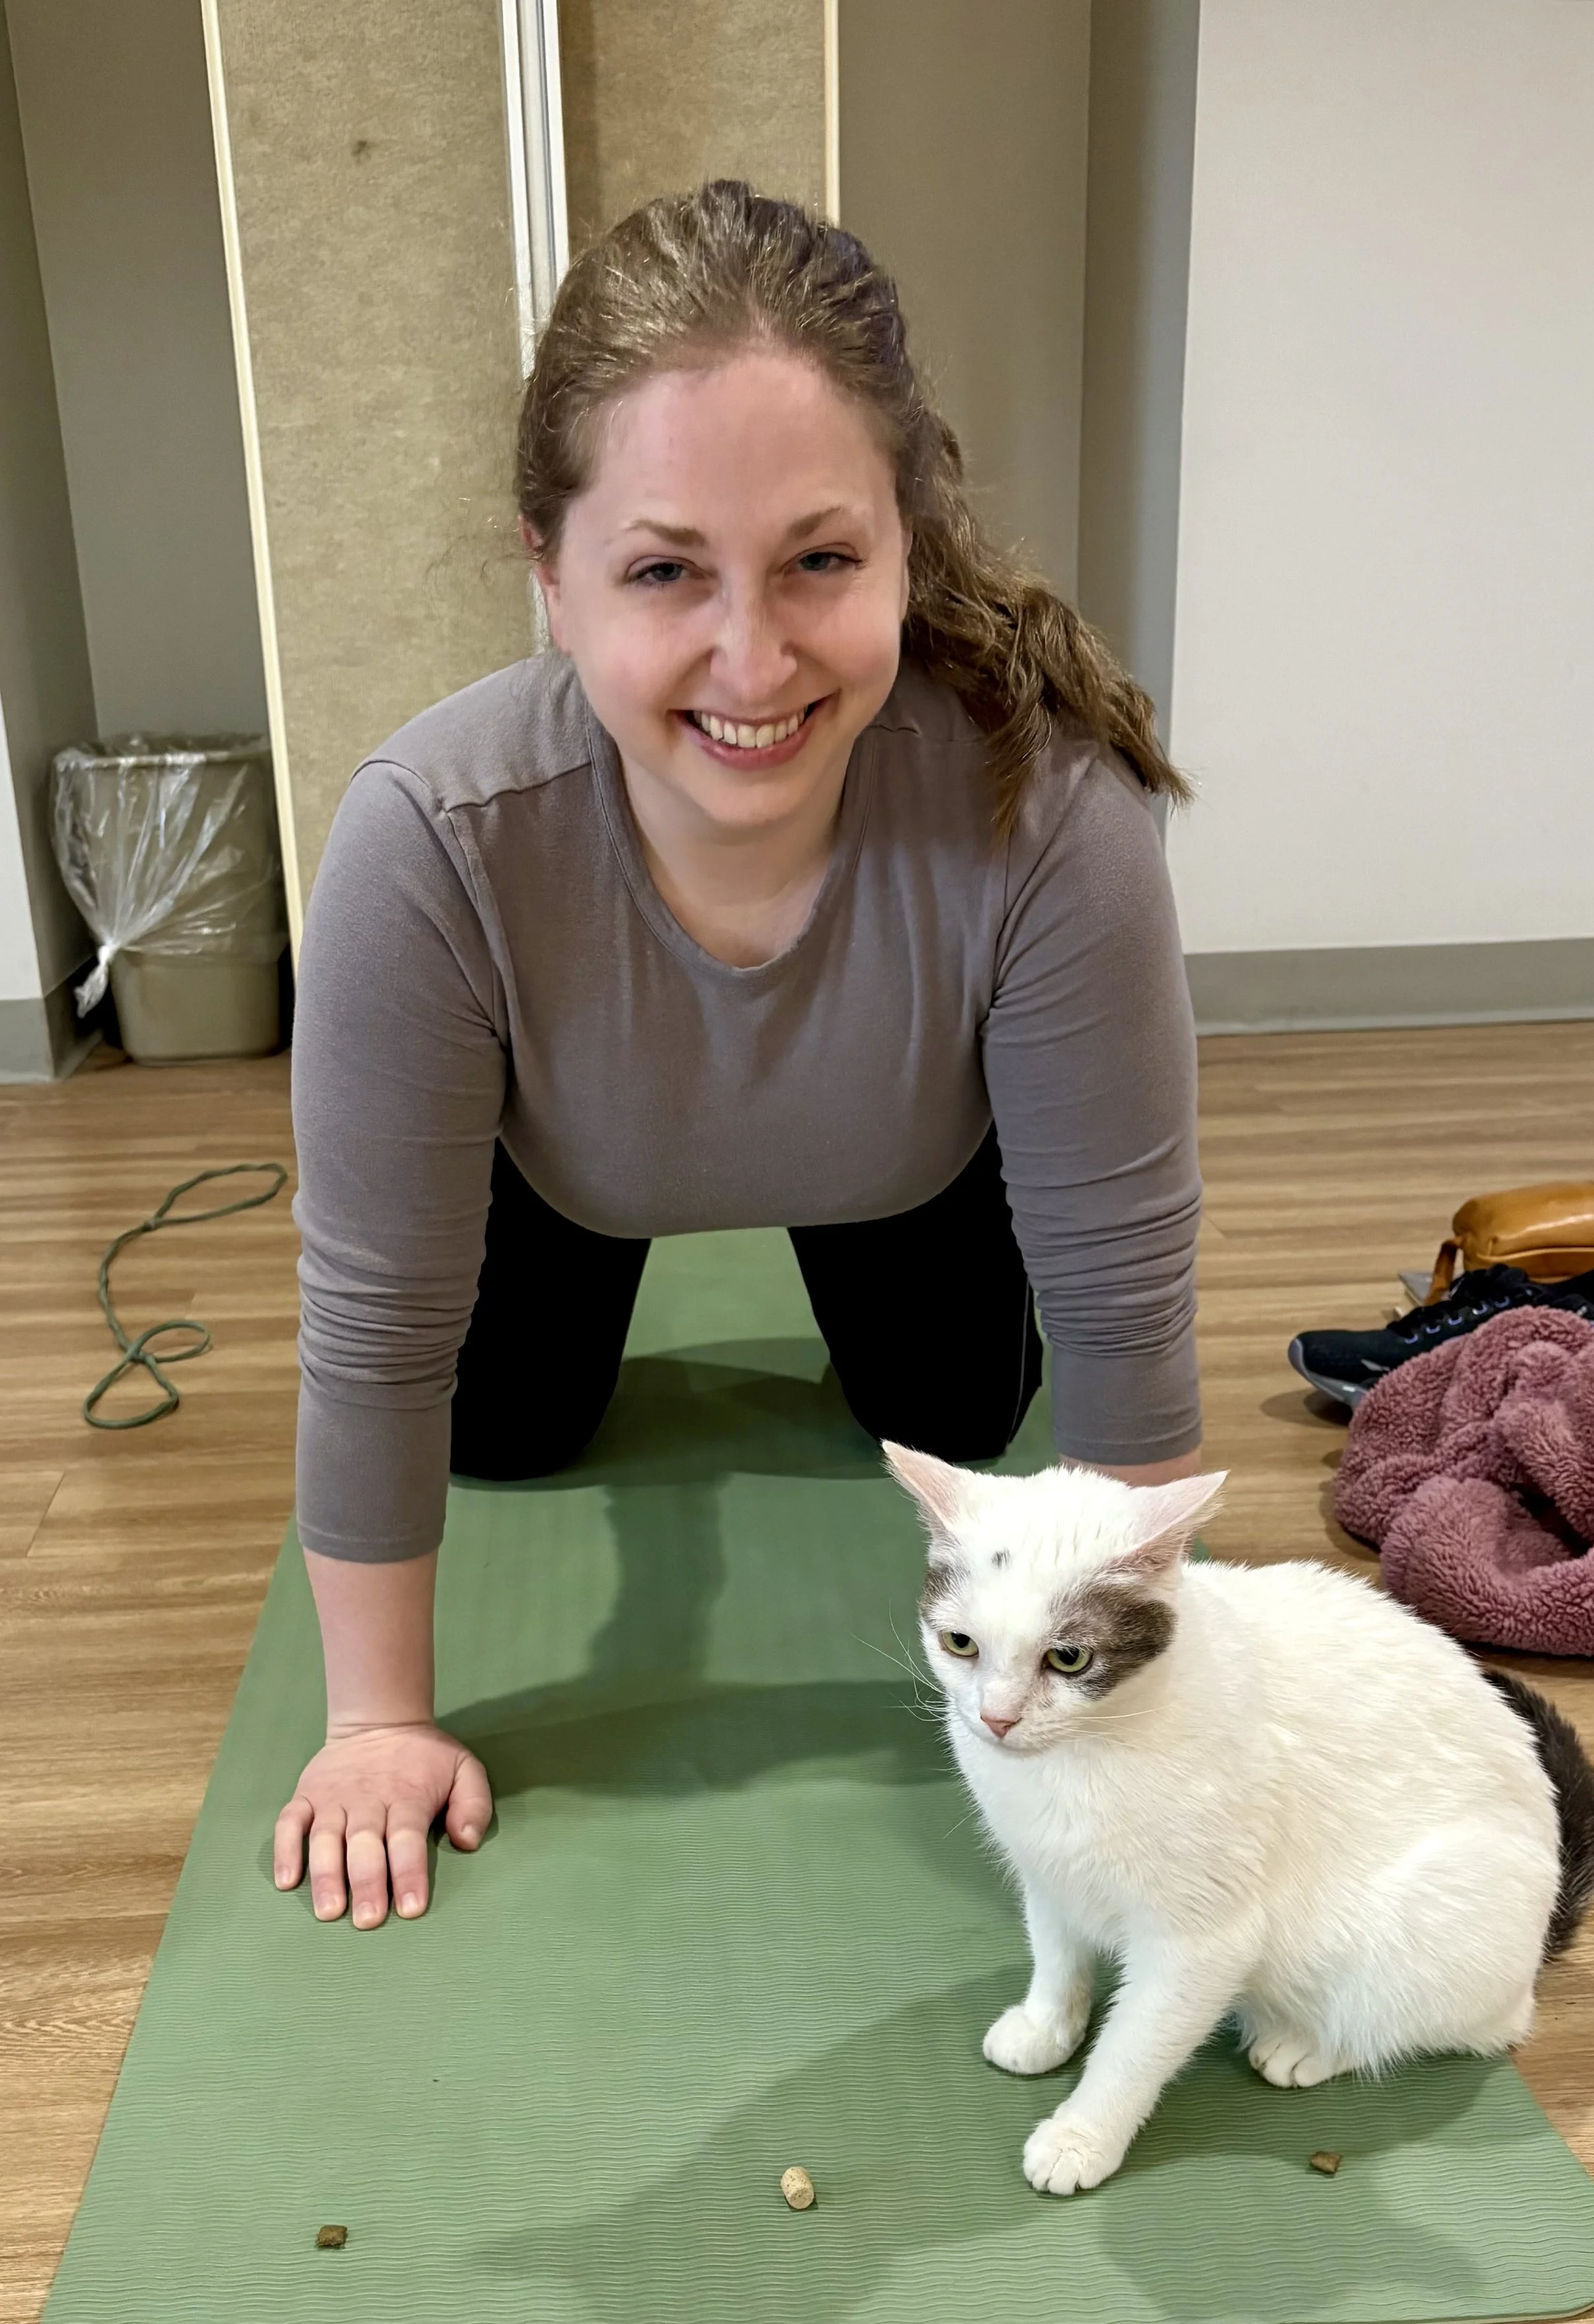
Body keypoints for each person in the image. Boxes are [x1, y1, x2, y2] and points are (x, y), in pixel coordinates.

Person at [274, 180, 1204, 1931]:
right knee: (512, 1431)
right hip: (567, 1165)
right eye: (662, 572)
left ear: (904, 542)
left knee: (956, 1419)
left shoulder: (1049, 820)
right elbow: (377, 1321)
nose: (752, 656)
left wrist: (1150, 1708)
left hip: (905, 1162)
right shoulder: (431, 835)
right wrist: (376, 1718)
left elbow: (1118, 1298)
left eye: (818, 561)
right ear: (546, 574)